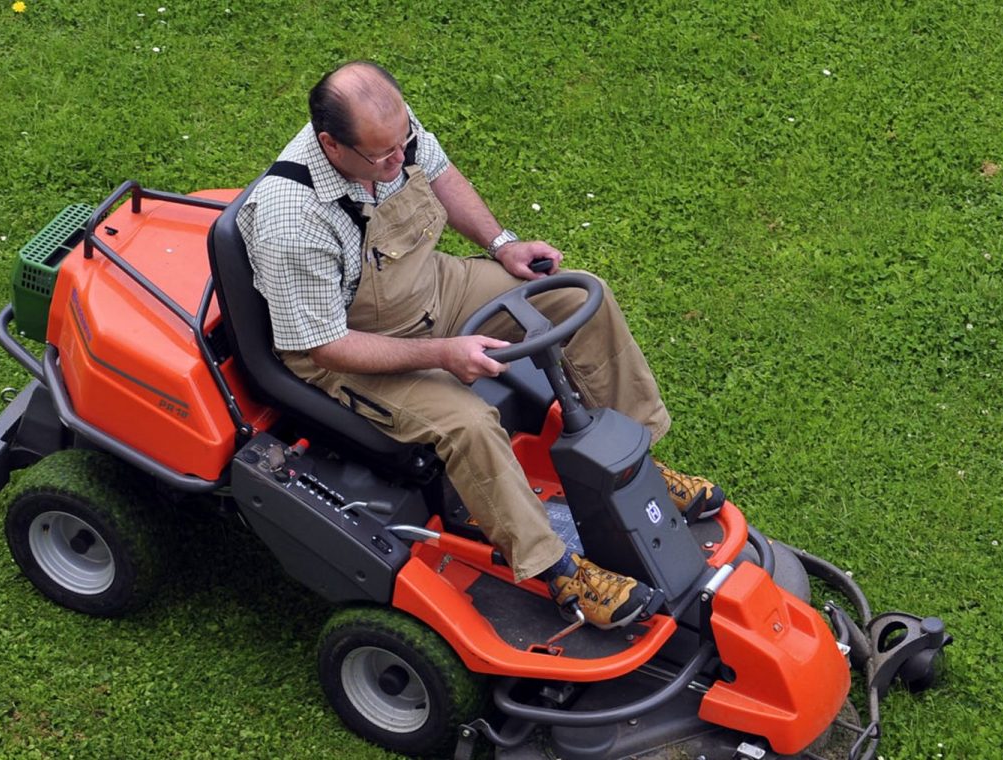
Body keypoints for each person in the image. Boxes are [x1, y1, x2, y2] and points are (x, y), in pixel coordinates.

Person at [238, 60, 724, 629]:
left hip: (431, 286)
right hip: (353, 346)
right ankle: (559, 569)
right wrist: (443, 355)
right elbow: (325, 347)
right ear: (331, 144)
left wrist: (501, 245)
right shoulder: (292, 221)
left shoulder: (390, 132)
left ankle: (637, 463)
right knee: (468, 423)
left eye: (403, 144)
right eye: (383, 157)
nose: (399, 160)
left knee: (574, 298)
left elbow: (440, 175)